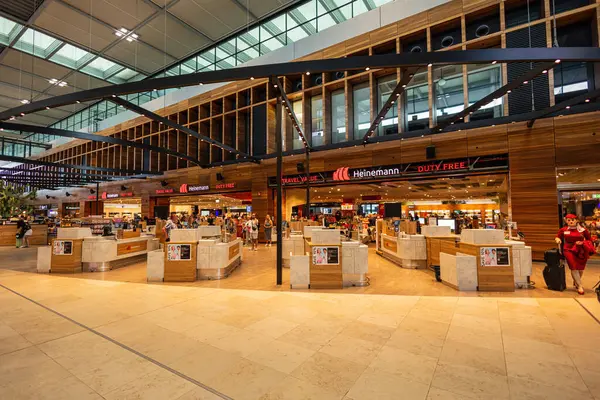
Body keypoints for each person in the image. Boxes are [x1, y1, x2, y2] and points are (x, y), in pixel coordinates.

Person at [555, 214, 594, 295]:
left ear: (576, 220)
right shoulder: (563, 229)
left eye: (573, 220)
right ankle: (580, 286)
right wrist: (558, 240)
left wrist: (582, 242)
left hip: (581, 250)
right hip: (568, 249)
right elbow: (557, 236)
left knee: (580, 269)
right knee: (573, 267)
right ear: (566, 221)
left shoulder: (583, 230)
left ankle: (576, 281)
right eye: (569, 220)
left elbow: (589, 240)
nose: (571, 221)